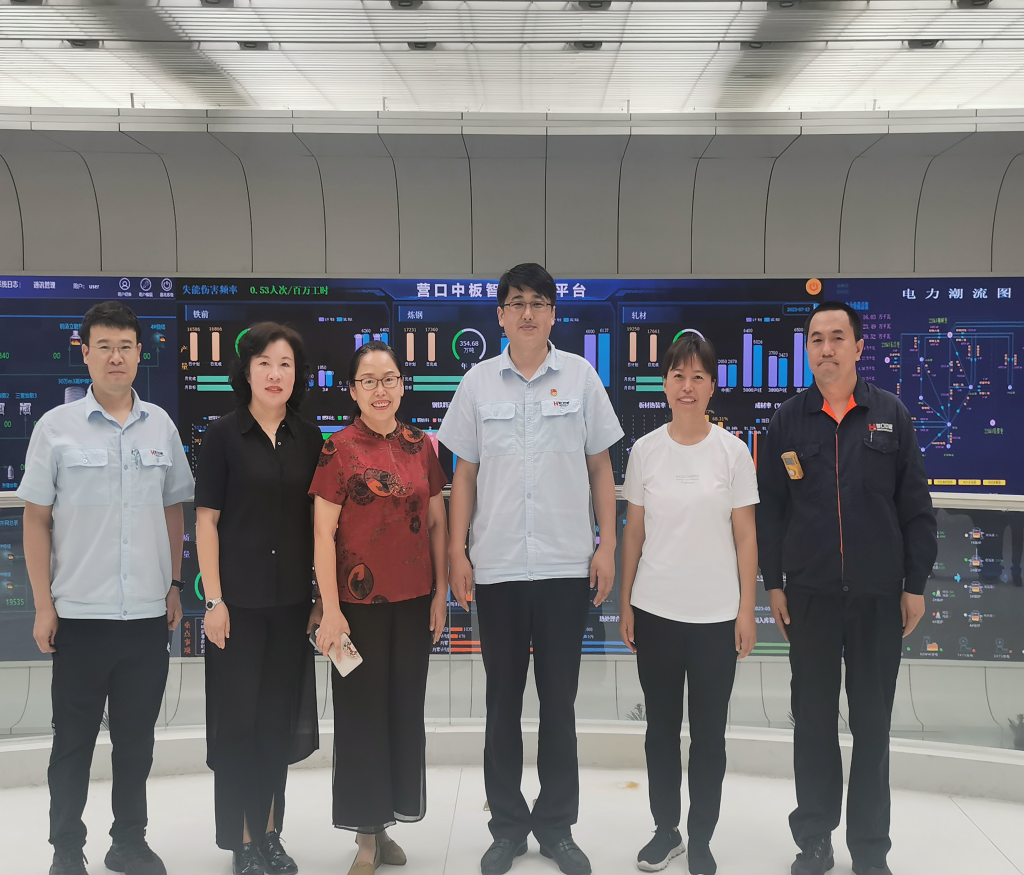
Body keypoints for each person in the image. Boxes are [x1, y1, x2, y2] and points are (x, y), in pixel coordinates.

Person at [438, 263, 624, 875]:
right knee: (501, 703)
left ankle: (557, 826)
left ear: (553, 314)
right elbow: (464, 475)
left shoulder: (581, 377)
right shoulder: (476, 384)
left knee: (559, 703)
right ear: (499, 315)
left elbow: (601, 468)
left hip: (566, 566)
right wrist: (458, 551)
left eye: (538, 302)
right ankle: (508, 827)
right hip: (497, 569)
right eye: (516, 302)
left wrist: (606, 545)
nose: (527, 313)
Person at [756, 301, 937, 875]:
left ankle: (870, 849)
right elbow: (770, 512)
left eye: (837, 337)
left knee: (872, 726)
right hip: (808, 597)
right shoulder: (787, 421)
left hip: (878, 597)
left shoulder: (890, 415)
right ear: (807, 350)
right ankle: (815, 839)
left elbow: (916, 508)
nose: (826, 348)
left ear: (859, 347)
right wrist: (774, 584)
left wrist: (915, 584)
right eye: (816, 339)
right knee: (813, 722)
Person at [19, 301, 194, 875]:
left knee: (136, 742)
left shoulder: (161, 425)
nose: (115, 357)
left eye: (125, 347)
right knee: (71, 743)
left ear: (140, 353)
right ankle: (67, 850)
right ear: (85, 353)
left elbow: (174, 507)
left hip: (145, 616)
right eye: (104, 347)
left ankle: (129, 842)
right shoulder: (55, 427)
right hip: (79, 617)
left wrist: (174, 582)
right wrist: (43, 605)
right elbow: (36, 519)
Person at [619, 332, 759, 875]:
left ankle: (701, 836)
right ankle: (666, 830)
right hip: (655, 611)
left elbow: (745, 536)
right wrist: (627, 603)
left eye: (698, 376)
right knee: (660, 731)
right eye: (678, 375)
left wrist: (746, 611)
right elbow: (634, 533)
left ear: (712, 385)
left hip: (716, 618)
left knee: (709, 736)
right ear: (664, 384)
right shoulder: (645, 451)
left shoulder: (733, 452)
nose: (687, 385)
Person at [310, 340, 451, 875]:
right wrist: (330, 609)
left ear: (402, 385)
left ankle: (385, 823)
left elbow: (436, 523)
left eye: (389, 379)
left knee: (402, 713)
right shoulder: (337, 449)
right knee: (361, 719)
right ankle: (365, 839)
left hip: (413, 604)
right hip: (356, 609)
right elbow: (323, 535)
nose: (380, 390)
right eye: (368, 381)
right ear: (352, 390)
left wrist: (440, 592)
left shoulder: (421, 446)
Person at [195, 323, 323, 875]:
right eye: (265, 363)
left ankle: (271, 833)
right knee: (238, 726)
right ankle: (242, 841)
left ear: (297, 375)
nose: (275, 374)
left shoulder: (310, 439)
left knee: (275, 723)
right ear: (246, 371)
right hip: (237, 609)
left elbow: (321, 527)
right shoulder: (222, 435)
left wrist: (320, 597)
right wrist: (214, 600)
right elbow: (206, 522)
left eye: (285, 364)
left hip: (291, 605)